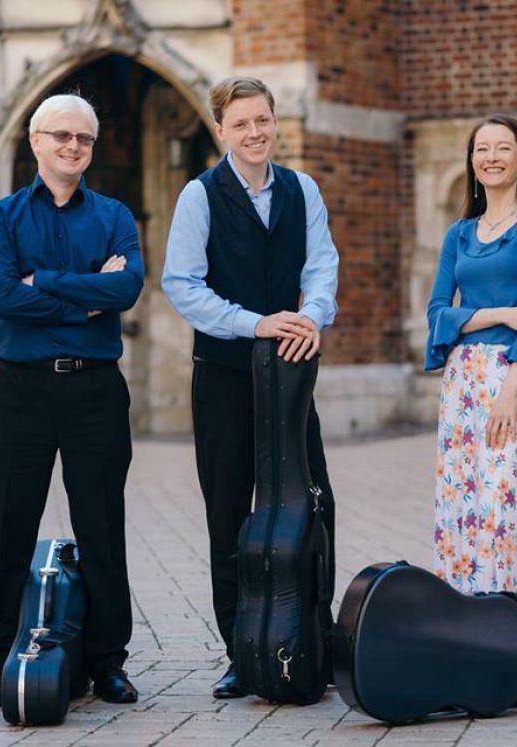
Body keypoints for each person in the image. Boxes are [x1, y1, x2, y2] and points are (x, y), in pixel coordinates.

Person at [162, 77, 339, 698]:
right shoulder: (199, 196)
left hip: (290, 375)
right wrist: (255, 323)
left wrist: (312, 317)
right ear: (221, 130)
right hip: (225, 374)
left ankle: (315, 633)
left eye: (262, 120)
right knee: (230, 512)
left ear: (274, 120)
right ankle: (243, 650)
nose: (255, 133)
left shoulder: (302, 188)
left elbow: (322, 264)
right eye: (240, 124)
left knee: (312, 498)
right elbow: (182, 284)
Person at [0, 94, 144, 706]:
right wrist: (86, 296)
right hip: (20, 391)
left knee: (103, 526)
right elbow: (2, 296)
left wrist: (42, 281)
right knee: (8, 525)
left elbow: (126, 288)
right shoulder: (2, 217)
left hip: (95, 392)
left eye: (84, 139)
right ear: (35, 140)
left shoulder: (115, 214)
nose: (74, 147)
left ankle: (108, 663)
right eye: (62, 136)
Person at [424, 114, 517, 645]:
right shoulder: (458, 233)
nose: (491, 157)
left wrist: (511, 391)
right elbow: (438, 312)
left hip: (513, 381)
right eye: (481, 149)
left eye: (503, 148)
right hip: (462, 385)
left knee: (507, 501)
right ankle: (462, 631)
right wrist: (502, 314)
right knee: (463, 506)